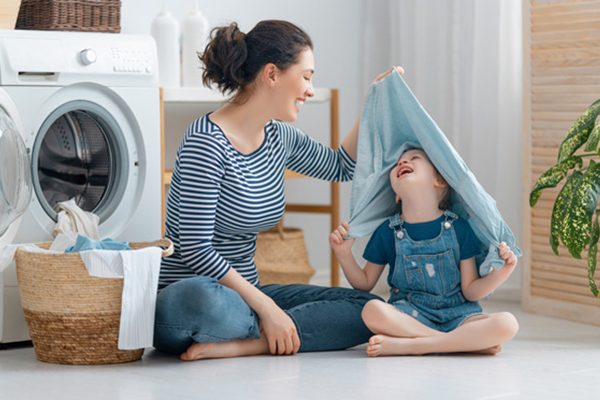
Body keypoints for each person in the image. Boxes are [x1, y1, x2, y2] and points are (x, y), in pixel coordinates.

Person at [153, 19, 400, 361]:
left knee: (370, 307)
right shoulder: (205, 142)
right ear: (272, 74)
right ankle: (270, 325)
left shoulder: (278, 137)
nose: (310, 90)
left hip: (247, 298)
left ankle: (250, 342)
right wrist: (267, 306)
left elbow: (341, 166)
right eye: (306, 76)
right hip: (192, 301)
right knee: (202, 299)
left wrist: (374, 102)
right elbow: (195, 248)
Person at [330, 147, 519, 357]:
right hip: (411, 315)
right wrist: (344, 254)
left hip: (459, 316)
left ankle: (417, 345)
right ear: (396, 196)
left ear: (439, 180)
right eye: (397, 164)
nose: (402, 163)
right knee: (372, 310)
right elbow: (364, 283)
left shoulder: (460, 228)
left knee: (508, 323)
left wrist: (503, 272)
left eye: (414, 158)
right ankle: (456, 343)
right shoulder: (387, 232)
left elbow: (471, 291)